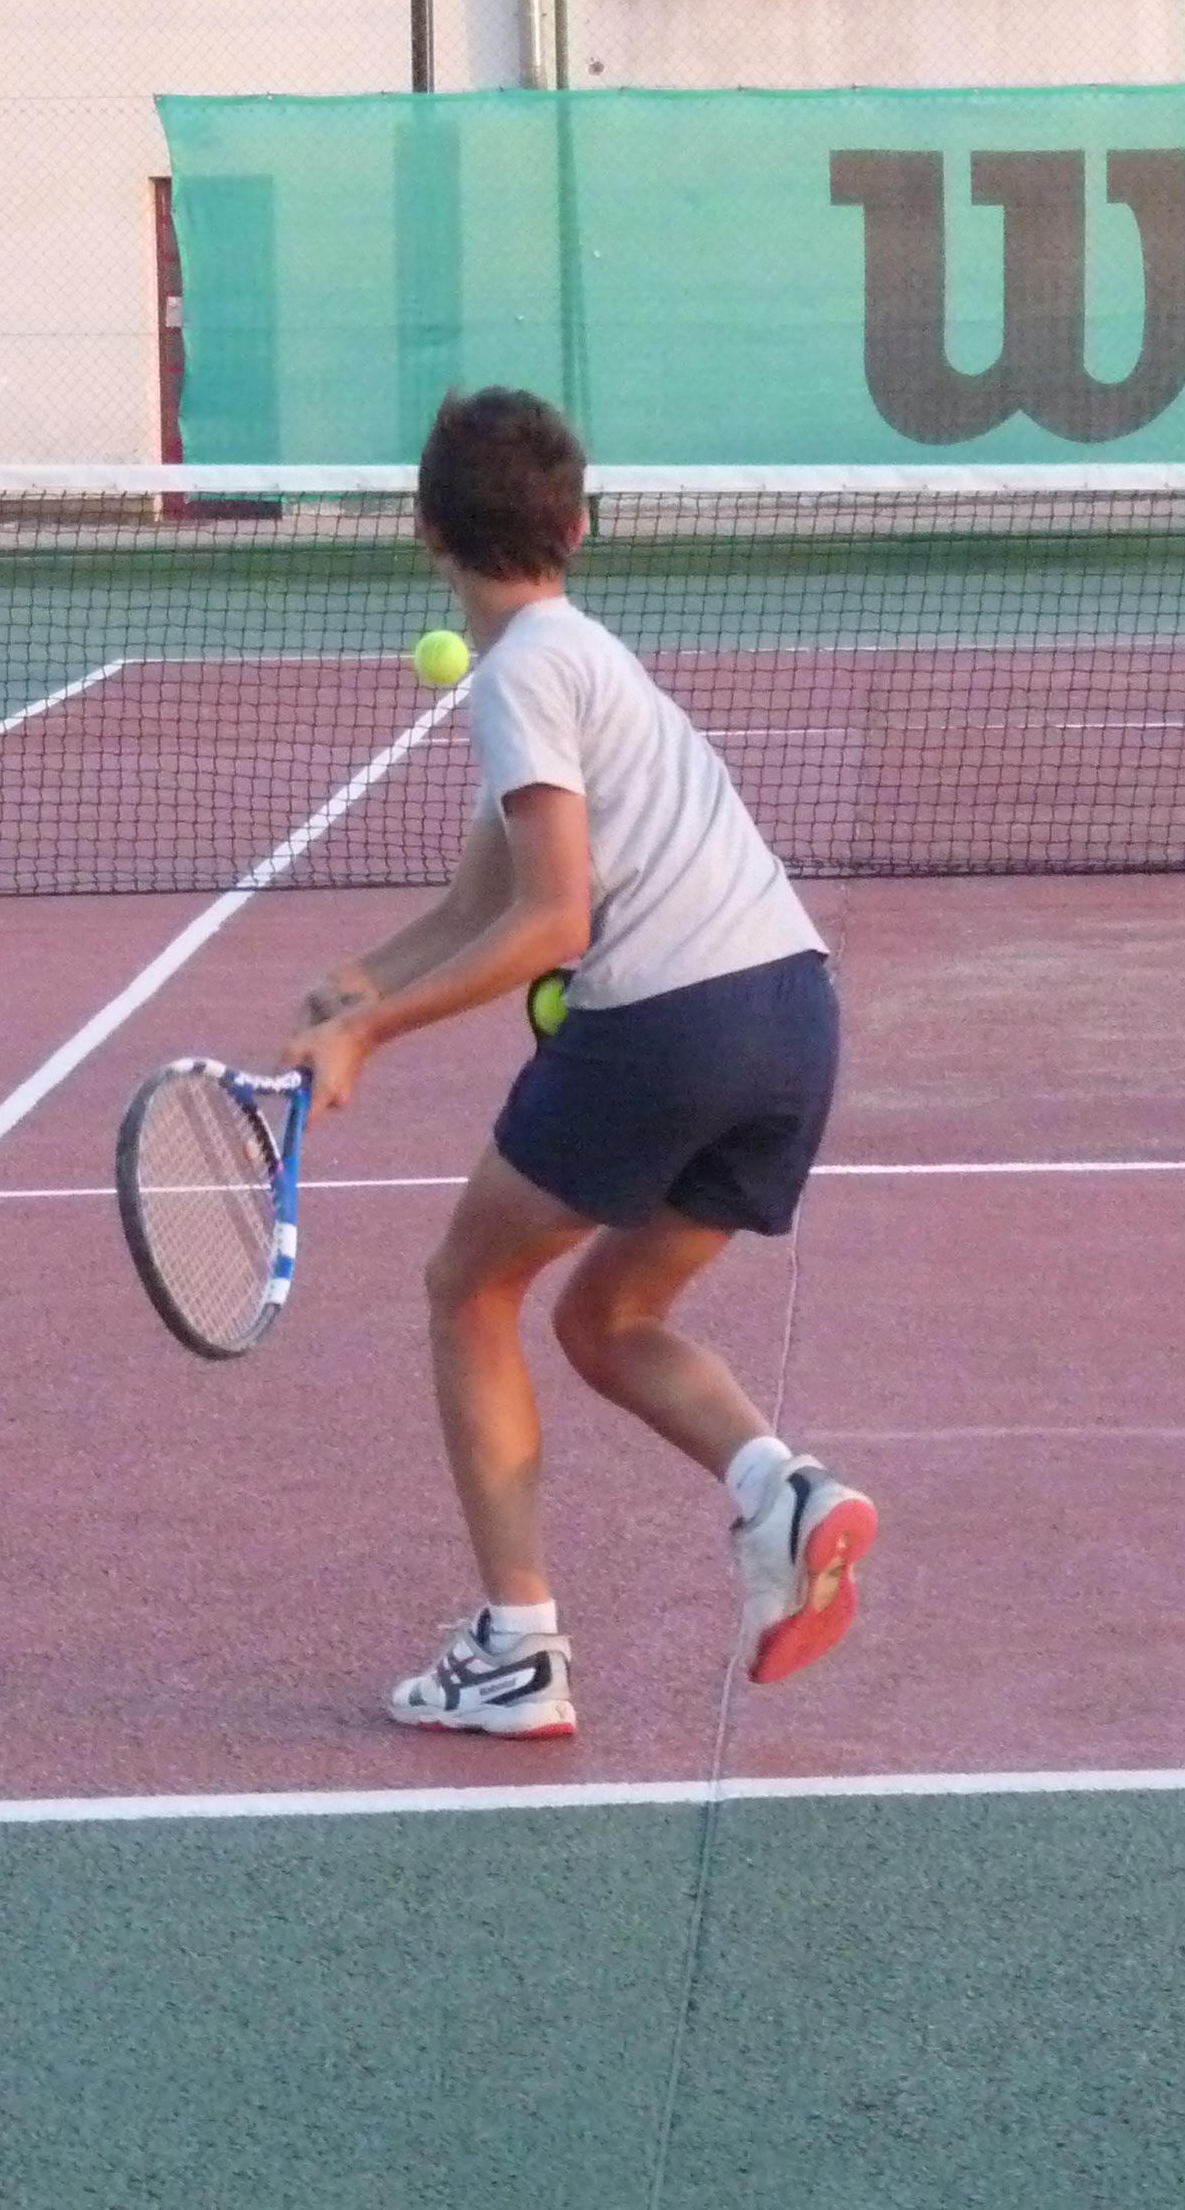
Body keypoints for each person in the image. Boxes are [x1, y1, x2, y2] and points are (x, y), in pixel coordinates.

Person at [285, 387, 873, 1740]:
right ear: (578, 527)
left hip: (670, 1026)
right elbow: (482, 898)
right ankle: (785, 1495)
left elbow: (553, 921)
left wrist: (368, 1034)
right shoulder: (583, 659)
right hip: (792, 1019)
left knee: (467, 1289)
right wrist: (365, 977)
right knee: (605, 1319)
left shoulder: (521, 677)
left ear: (428, 533)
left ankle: (516, 1652)